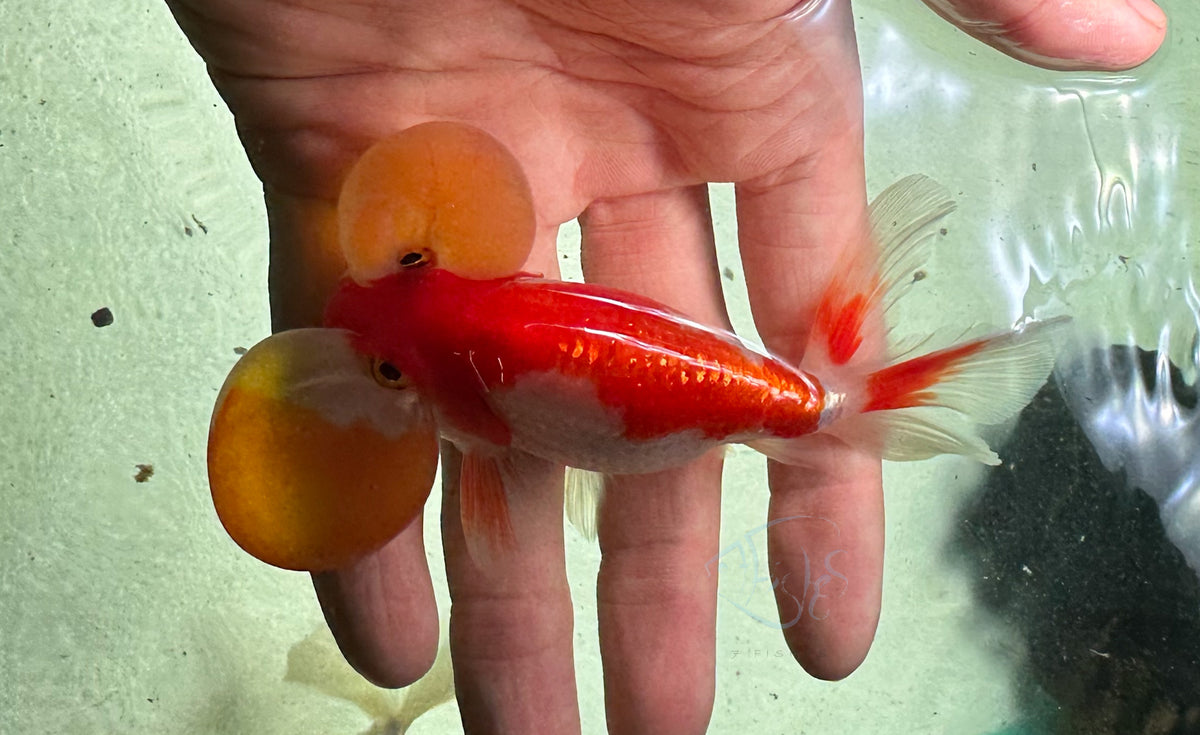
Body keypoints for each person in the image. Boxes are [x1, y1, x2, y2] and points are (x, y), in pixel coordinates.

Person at [166, 0, 1166, 731]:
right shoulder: (488, 355)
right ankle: (843, 406)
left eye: (418, 273)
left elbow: (504, 451)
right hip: (731, 395)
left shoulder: (484, 418)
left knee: (791, 418)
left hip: (731, 399)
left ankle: (842, 409)